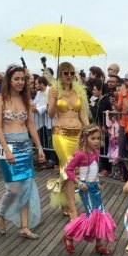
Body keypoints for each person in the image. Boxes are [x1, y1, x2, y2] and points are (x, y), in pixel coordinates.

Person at [0, 65, 46, 238]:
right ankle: (1, 214)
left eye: (23, 79)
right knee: (14, 188)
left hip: (24, 146)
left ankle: (24, 226)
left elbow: (31, 124)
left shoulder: (26, 100)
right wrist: (7, 150)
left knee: (27, 187)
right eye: (17, 78)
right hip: (4, 145)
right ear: (9, 80)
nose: (20, 82)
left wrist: (39, 147)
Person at [62, 124, 117, 255]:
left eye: (98, 138)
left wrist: (97, 183)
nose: (97, 141)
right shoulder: (80, 154)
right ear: (85, 138)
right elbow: (68, 170)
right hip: (85, 189)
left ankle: (98, 244)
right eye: (93, 138)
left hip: (94, 188)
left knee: (101, 214)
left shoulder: (97, 152)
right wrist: (78, 182)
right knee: (92, 215)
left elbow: (94, 170)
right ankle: (69, 236)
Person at [47, 62, 89, 218]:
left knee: (73, 169)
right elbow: (50, 115)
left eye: (71, 73)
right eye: (65, 73)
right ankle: (73, 209)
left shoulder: (79, 91)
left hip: (77, 134)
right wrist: (55, 100)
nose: (69, 76)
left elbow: (83, 116)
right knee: (67, 167)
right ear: (60, 75)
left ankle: (65, 201)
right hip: (61, 135)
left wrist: (90, 130)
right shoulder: (54, 90)